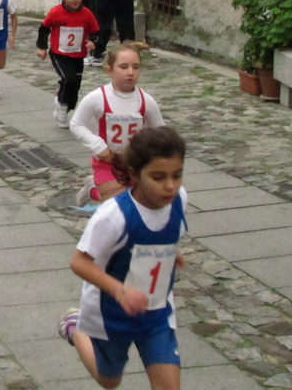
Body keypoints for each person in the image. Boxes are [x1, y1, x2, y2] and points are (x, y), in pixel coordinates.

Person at [58, 126, 188, 390]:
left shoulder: (179, 201)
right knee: (109, 381)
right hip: (111, 314)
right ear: (134, 175)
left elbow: (161, 234)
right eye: (158, 177)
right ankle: (76, 328)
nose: (170, 186)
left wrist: (171, 252)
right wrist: (120, 291)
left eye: (177, 175)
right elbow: (79, 262)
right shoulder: (113, 216)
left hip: (156, 312)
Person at [70, 43, 165, 206]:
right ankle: (92, 188)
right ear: (109, 70)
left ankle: (98, 190)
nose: (130, 72)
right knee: (118, 204)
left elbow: (161, 132)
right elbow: (77, 124)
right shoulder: (97, 98)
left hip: (136, 163)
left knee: (141, 203)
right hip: (107, 163)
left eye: (135, 67)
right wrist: (98, 145)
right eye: (123, 67)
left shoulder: (145, 100)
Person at [37, 0, 100, 129]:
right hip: (59, 54)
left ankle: (66, 104)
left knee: (75, 86)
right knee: (68, 79)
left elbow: (96, 32)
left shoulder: (86, 14)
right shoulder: (56, 13)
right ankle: (61, 103)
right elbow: (44, 29)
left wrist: (94, 42)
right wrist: (42, 47)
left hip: (78, 55)